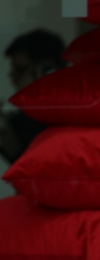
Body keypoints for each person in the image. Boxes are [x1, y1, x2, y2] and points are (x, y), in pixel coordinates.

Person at [1, 29, 65, 163]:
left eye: (20, 70)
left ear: (48, 72)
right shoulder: (22, 122)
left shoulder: (78, 118)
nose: (13, 78)